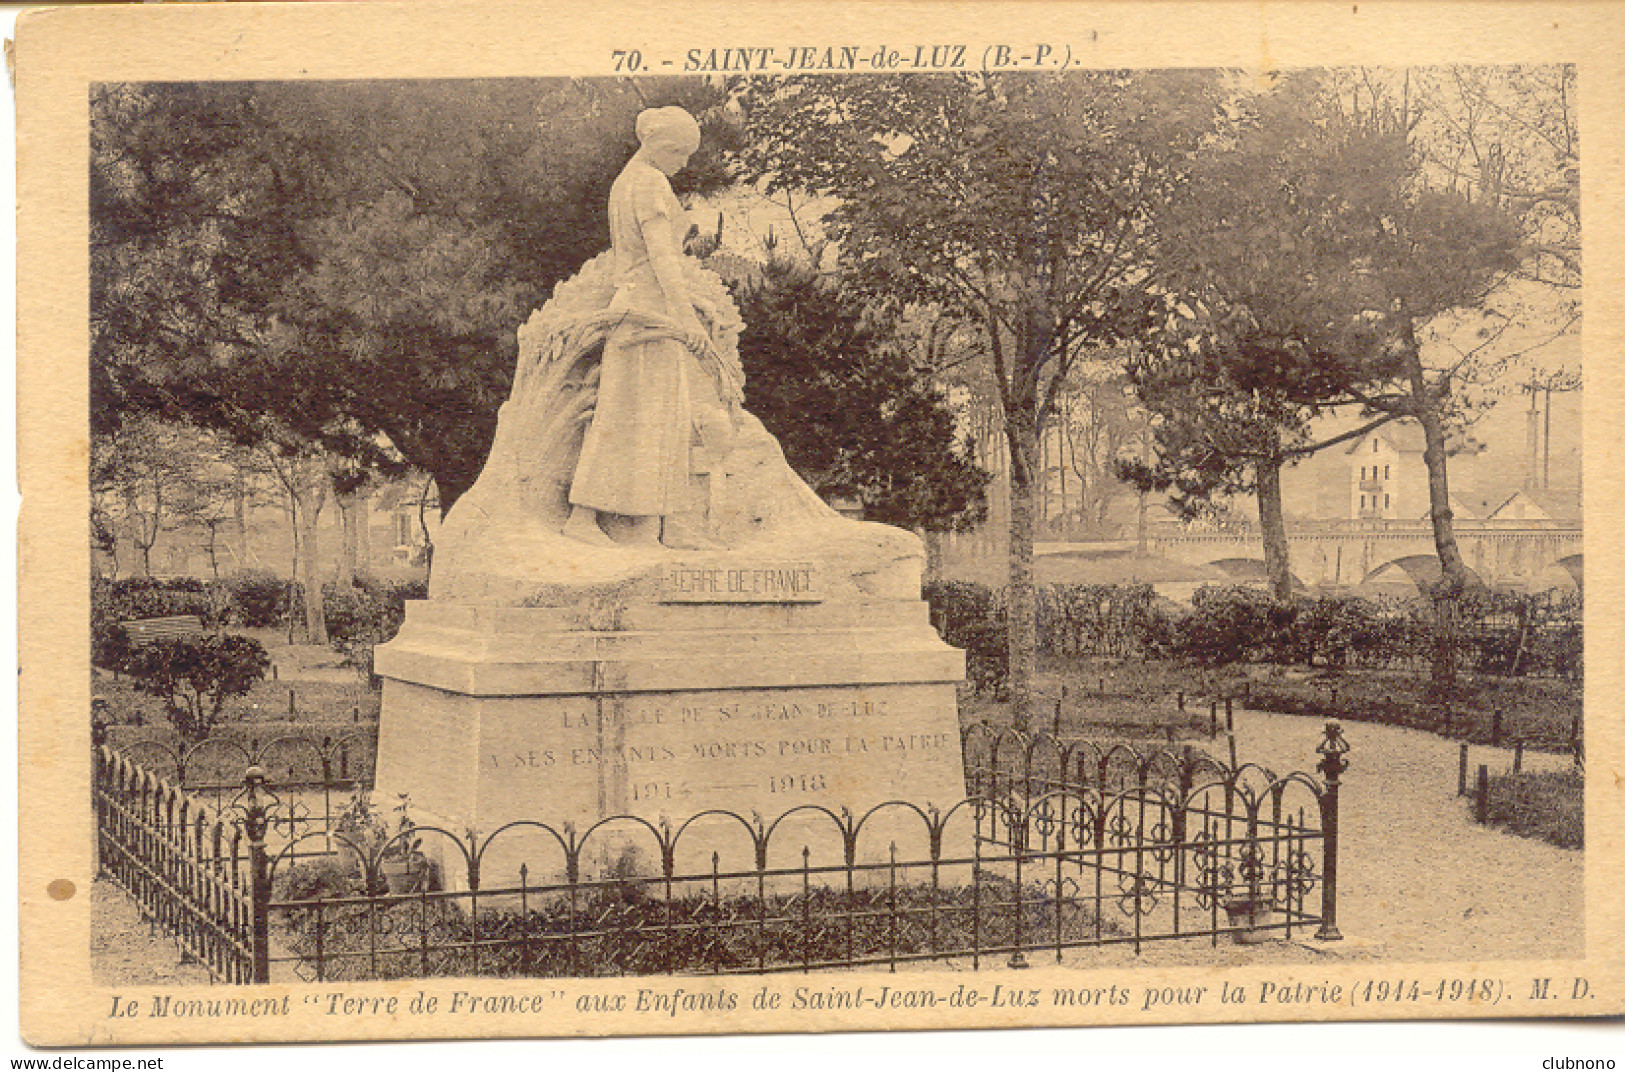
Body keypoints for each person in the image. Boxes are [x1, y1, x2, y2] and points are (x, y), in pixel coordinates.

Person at [559, 106, 718, 548]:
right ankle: (583, 517)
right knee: (628, 414)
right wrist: (685, 318)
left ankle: (668, 523)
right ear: (657, 143)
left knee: (661, 415)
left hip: (647, 306)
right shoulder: (648, 182)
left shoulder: (627, 182)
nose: (684, 163)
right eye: (680, 152)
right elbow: (661, 257)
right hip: (650, 312)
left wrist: (693, 303)